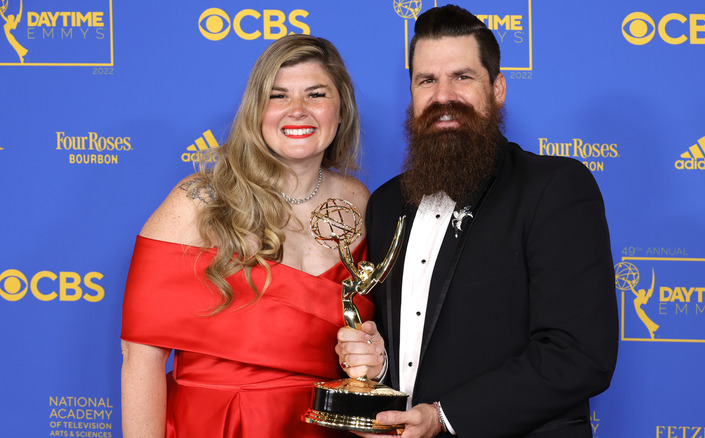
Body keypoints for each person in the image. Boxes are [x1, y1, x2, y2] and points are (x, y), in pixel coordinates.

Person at [335, 5, 618, 437]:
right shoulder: (387, 203)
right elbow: (415, 342)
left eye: (462, 77)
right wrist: (376, 360)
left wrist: (443, 417)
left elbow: (578, 354)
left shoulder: (555, 188)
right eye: (426, 80)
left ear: (497, 88)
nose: (443, 96)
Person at [120, 34, 371, 437]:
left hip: (323, 427)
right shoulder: (197, 201)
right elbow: (140, 356)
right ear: (256, 110)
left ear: (341, 110)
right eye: (278, 96)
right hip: (218, 424)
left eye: (316, 94)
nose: (298, 111)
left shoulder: (361, 203)